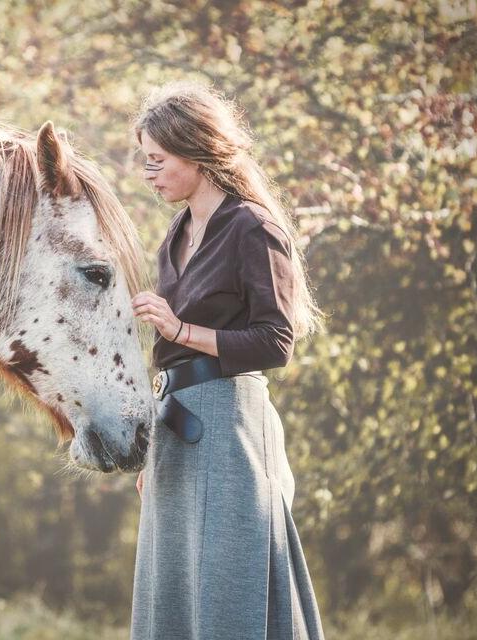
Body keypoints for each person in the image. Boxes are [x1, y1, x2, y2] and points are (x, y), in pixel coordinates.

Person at [129, 81, 328, 640]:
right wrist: (153, 451)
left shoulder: (252, 227)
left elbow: (275, 341)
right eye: (145, 161)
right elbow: (170, 357)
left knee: (227, 587)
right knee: (172, 590)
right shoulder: (175, 234)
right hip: (175, 426)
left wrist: (180, 329)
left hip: (230, 425)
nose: (148, 173)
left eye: (157, 160)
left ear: (195, 152)